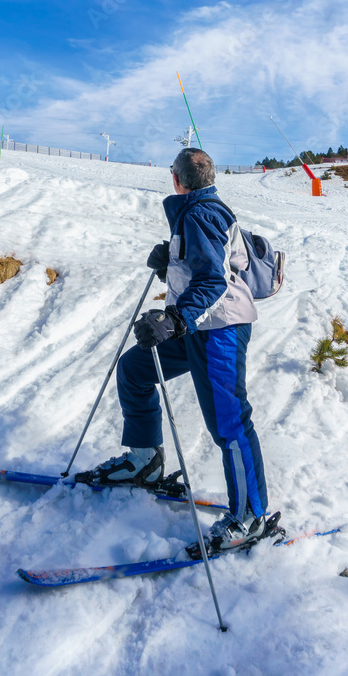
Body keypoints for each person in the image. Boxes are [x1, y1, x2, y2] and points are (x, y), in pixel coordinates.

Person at [77, 148, 268, 553]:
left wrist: (174, 321)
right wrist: (169, 264)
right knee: (135, 369)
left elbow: (214, 282)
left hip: (220, 330)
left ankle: (250, 517)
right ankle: (145, 460)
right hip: (196, 326)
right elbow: (203, 267)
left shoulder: (201, 214)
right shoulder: (194, 211)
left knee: (229, 423)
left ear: (176, 179)